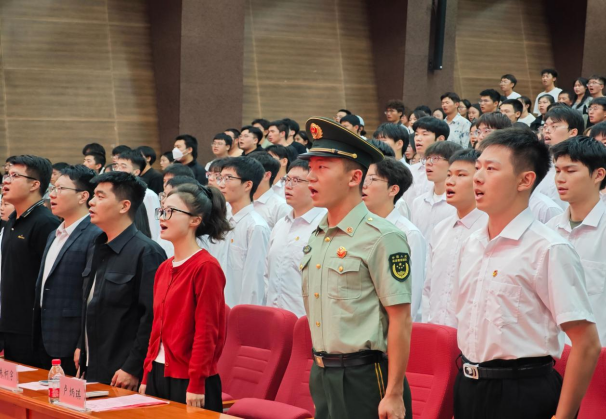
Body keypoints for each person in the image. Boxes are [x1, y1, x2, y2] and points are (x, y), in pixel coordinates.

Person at [452, 128, 601, 419]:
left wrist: (564, 416)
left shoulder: (548, 248)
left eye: (491, 169)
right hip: (469, 384)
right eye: (478, 167)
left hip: (522, 391)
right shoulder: (470, 244)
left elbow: (586, 343)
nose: (477, 177)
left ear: (525, 180)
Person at [298, 117, 413, 420]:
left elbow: (400, 319)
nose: (310, 177)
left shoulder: (382, 236)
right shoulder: (318, 235)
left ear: (354, 178)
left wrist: (394, 393)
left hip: (365, 376)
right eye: (310, 168)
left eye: (322, 168)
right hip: (322, 372)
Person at [140, 183, 230, 410]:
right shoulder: (164, 267)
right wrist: (146, 374)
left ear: (195, 220)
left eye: (170, 211)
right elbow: (156, 328)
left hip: (190, 378)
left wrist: (197, 381)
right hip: (157, 372)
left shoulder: (206, 267)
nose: (162, 217)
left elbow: (207, 332)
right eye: (162, 210)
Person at [78, 171, 167, 387]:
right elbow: (90, 304)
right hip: (92, 362)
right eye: (93, 195)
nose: (91, 201)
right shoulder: (97, 246)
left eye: (100, 196)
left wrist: (132, 367)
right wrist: (81, 346)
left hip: (121, 370)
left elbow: (152, 317)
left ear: (124, 206)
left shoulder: (147, 252)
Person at [33, 165, 101, 375]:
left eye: (61, 189)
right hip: (44, 334)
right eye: (53, 188)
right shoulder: (54, 234)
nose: (52, 195)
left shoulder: (95, 234)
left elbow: (90, 294)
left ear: (83, 196)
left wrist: (82, 342)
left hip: (71, 341)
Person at [0, 156, 60, 366]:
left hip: (33, 332)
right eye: (7, 175)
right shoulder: (11, 222)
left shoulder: (46, 223)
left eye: (15, 176)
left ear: (35, 184)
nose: (6, 181)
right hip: (10, 325)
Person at [547, 137, 606, 346]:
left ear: (598, 174)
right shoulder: (549, 229)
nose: (560, 179)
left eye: (570, 171)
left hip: (597, 350)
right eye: (557, 171)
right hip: (553, 351)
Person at [423, 149, 488, 327]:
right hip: (437, 332)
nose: (450, 182)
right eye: (449, 174)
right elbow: (428, 287)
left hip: (471, 335)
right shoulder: (440, 230)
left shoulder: (490, 230)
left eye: (461, 175)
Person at [362, 157, 426, 323]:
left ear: (393, 189)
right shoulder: (358, 227)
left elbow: (412, 293)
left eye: (372, 179)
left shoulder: (408, 234)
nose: (364, 185)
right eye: (364, 178)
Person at [265, 160, 326, 318]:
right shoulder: (280, 225)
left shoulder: (324, 226)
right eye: (287, 179)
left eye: (297, 181)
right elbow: (268, 274)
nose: (288, 186)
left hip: (306, 321)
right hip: (274, 319)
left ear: (314, 185)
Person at [209, 157, 270, 307]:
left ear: (248, 185)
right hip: (217, 305)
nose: (221, 184)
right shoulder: (222, 220)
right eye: (220, 178)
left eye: (228, 178)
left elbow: (254, 282)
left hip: (238, 309)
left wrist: (244, 315)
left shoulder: (256, 227)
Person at [536, 106, 585, 210]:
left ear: (572, 132)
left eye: (554, 126)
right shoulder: (540, 161)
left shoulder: (582, 164)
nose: (547, 131)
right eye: (545, 126)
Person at [410, 142, 461, 239]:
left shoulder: (458, 204)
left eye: (435, 158)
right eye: (427, 158)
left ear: (453, 163)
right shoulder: (418, 202)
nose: (428, 163)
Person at [400, 117, 450, 211]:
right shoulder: (409, 171)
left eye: (424, 134)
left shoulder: (448, 171)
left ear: (440, 139)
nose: (418, 139)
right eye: (416, 134)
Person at [115, 151, 162, 241]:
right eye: (116, 166)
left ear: (136, 172)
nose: (118, 170)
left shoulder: (148, 195)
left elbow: (154, 227)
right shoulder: (116, 192)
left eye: (123, 167)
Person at [249, 152, 292, 229]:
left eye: (250, 172)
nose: (245, 176)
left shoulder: (281, 207)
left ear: (266, 175)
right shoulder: (239, 200)